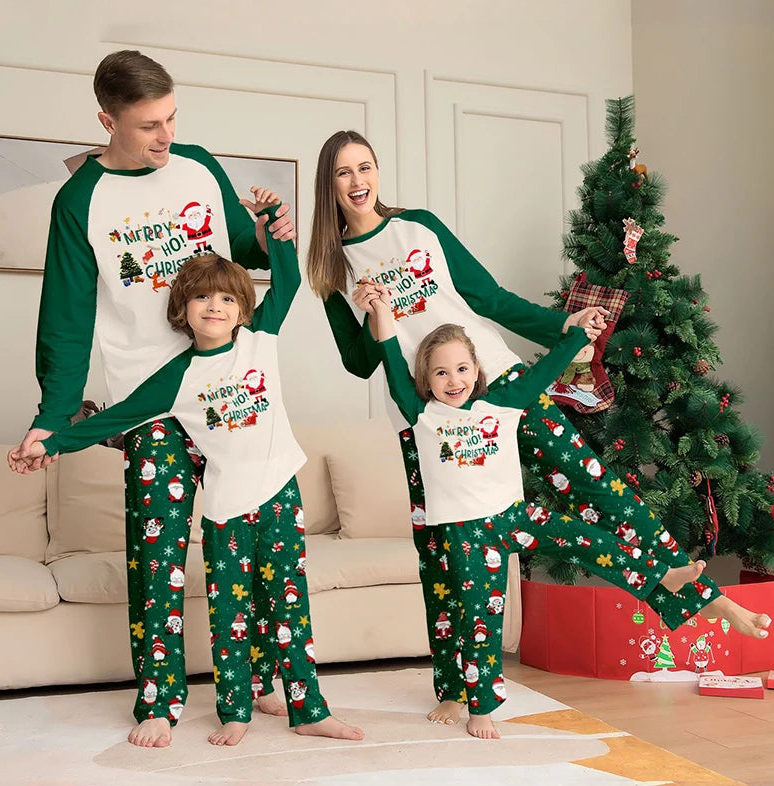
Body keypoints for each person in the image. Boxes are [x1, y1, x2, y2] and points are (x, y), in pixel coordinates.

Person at [306, 130, 771, 725]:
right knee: (440, 553)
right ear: (329, 185)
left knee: (597, 485)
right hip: (427, 421)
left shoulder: (417, 228)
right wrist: (375, 314)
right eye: (342, 172)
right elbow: (359, 362)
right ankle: (452, 686)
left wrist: (564, 325)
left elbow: (490, 299)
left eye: (364, 166)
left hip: (498, 382)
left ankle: (685, 588)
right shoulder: (332, 267)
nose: (356, 181)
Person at [9, 206, 365, 747]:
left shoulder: (259, 341)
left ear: (243, 307)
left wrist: (273, 225)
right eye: (202, 297)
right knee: (229, 619)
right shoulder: (175, 377)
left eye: (227, 297)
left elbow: (288, 280)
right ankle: (235, 712)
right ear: (183, 309)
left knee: (290, 607)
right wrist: (51, 443)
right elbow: (115, 419)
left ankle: (309, 708)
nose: (215, 306)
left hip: (278, 495)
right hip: (225, 512)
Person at [16, 49, 290, 748]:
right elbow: (68, 320)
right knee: (158, 551)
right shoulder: (79, 202)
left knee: (250, 540)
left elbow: (241, 253)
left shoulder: (197, 166)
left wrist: (268, 236)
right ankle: (158, 701)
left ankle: (257, 681)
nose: (166, 137)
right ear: (107, 120)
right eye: (147, 126)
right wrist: (52, 421)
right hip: (151, 404)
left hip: (228, 385)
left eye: (171, 118)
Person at [368, 299, 771, 738]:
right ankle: (479, 708)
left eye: (462, 369)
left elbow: (545, 372)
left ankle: (659, 576)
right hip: (466, 536)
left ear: (477, 371)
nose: (453, 380)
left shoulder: (502, 403)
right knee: (476, 616)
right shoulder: (423, 415)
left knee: (588, 539)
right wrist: (381, 320)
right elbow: (391, 362)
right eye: (441, 373)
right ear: (425, 380)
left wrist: (580, 336)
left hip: (515, 516)